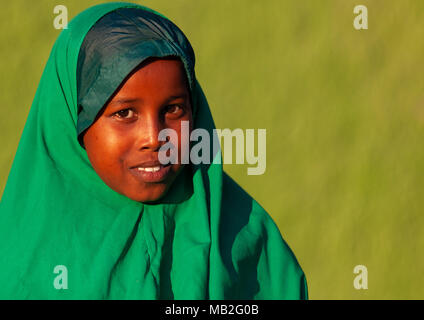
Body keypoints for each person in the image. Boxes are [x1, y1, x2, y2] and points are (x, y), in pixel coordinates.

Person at [0, 2, 308, 299]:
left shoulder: (244, 236)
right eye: (124, 114)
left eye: (174, 109)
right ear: (73, 120)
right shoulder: (19, 260)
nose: (154, 138)